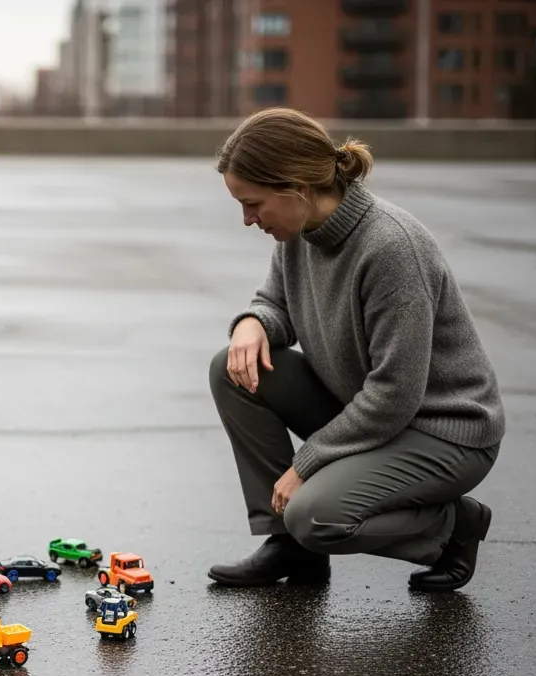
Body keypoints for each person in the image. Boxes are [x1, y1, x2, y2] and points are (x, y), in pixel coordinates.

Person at [207, 108, 505, 593]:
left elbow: (393, 394)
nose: (247, 219)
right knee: (232, 368)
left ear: (297, 187)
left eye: (253, 203)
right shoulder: (300, 231)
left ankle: (453, 527)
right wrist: (251, 323)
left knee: (316, 516)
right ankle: (288, 548)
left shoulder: (391, 249)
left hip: (444, 432)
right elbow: (275, 304)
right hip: (371, 412)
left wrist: (307, 464)